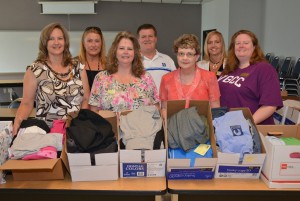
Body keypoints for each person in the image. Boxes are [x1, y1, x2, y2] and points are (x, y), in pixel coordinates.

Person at [12, 22, 90, 135]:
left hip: (76, 131)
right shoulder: (34, 70)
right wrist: (17, 123)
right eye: (51, 39)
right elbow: (26, 104)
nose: (56, 42)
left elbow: (86, 99)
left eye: (60, 38)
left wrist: (81, 122)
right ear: (45, 42)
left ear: (65, 42)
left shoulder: (79, 67)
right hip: (46, 133)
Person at [218, 30, 283, 125]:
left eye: (246, 43)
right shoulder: (229, 68)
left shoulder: (264, 69)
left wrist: (247, 125)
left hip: (252, 130)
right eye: (238, 43)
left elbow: (270, 104)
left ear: (254, 47)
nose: (241, 46)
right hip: (227, 127)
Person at [89, 31, 160, 113]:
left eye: (129, 49)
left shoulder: (146, 78)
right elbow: (93, 111)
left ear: (135, 53)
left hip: (142, 125)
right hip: (110, 125)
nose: (126, 52)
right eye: (121, 48)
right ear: (115, 51)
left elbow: (156, 108)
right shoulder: (101, 78)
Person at [160, 34, 221, 117]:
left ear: (197, 57)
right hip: (174, 127)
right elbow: (164, 109)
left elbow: (215, 109)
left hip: (201, 128)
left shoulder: (209, 77)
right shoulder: (166, 79)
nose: (184, 58)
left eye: (189, 54)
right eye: (181, 54)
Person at [137, 24, 176, 90]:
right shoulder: (132, 61)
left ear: (155, 39)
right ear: (138, 40)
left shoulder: (168, 60)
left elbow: (175, 84)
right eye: (143, 37)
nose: (147, 39)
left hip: (164, 100)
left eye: (150, 36)